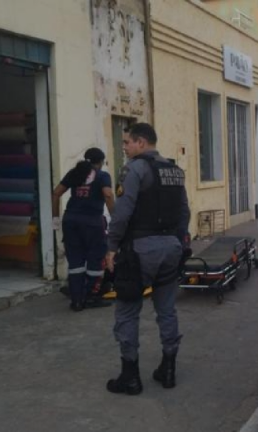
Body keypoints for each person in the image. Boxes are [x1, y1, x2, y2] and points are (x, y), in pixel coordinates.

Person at [105, 122, 190, 395]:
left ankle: (130, 376)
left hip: (139, 251)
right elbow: (184, 212)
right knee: (166, 309)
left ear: (141, 142)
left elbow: (121, 213)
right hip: (171, 248)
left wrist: (111, 247)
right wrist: (178, 242)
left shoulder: (135, 169)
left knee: (128, 310)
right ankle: (168, 369)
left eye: (128, 142)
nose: (126, 147)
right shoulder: (175, 171)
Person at [52, 147, 115, 312]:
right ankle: (91, 297)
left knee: (75, 262)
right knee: (95, 260)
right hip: (92, 223)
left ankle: (77, 301)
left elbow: (56, 193)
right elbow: (108, 195)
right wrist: (116, 218)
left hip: (70, 221)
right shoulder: (102, 176)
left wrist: (55, 218)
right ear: (100, 162)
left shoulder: (74, 173)